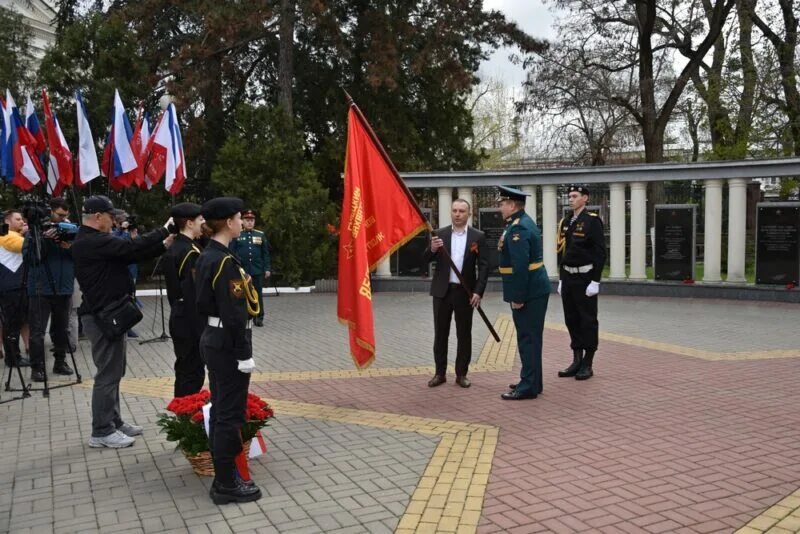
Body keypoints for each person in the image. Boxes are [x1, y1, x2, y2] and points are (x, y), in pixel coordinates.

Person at [72, 195, 175, 448]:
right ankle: (102, 431)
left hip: (110, 314)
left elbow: (131, 254)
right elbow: (130, 248)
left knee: (115, 371)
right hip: (102, 316)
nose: (114, 221)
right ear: (98, 217)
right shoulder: (91, 240)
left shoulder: (95, 240)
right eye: (111, 217)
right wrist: (164, 229)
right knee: (107, 374)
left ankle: (114, 422)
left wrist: (164, 243)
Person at [195, 197, 262, 504]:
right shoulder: (223, 261)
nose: (240, 221)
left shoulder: (211, 255)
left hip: (215, 338)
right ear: (228, 222)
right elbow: (235, 314)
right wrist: (244, 353)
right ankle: (226, 484)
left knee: (224, 410)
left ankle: (226, 478)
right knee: (229, 414)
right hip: (227, 344)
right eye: (237, 217)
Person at [422, 199, 489, 388]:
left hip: (465, 293)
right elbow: (426, 258)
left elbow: (484, 267)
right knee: (440, 334)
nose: (458, 214)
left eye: (462, 211)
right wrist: (433, 248)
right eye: (454, 210)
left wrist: (478, 291)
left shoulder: (478, 236)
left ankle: (461, 374)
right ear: (451, 212)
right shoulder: (439, 234)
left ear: (469, 214)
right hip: (442, 292)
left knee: (464, 334)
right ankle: (439, 373)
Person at [496, 186, 550, 400]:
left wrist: (518, 297)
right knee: (532, 338)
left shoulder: (518, 229)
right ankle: (533, 381)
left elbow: (520, 266)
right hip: (534, 289)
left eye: (502, 204)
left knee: (527, 338)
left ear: (511, 205)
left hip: (528, 292)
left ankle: (528, 386)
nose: (500, 207)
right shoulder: (520, 223)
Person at [556, 185, 606, 380]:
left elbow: (600, 253)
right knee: (571, 319)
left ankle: (588, 362)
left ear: (585, 198)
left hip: (585, 278)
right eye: (569, 196)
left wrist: (595, 281)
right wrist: (561, 279)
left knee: (588, 320)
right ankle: (576, 359)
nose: (571, 199)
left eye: (575, 196)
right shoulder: (566, 221)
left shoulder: (592, 221)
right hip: (568, 277)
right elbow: (562, 252)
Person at [25, 198, 75, 382]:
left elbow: (80, 256)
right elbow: (30, 259)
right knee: (37, 331)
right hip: (40, 289)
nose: (61, 219)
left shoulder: (71, 231)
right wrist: (44, 239)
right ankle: (37, 367)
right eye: (59, 215)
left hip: (64, 288)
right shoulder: (35, 232)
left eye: (65, 216)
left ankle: (60, 362)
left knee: (61, 329)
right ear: (50, 212)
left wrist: (69, 246)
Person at [162, 202, 206, 397]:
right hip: (190, 320)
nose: (203, 223)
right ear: (189, 223)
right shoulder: (189, 252)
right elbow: (193, 294)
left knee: (185, 369)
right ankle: (185, 418)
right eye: (200, 220)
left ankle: (182, 415)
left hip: (180, 316)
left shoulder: (179, 246)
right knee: (192, 372)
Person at [0, 209, 30, 368]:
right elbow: (23, 246)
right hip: (11, 286)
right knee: (12, 323)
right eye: (18, 219)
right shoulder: (5, 234)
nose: (22, 222)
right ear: (7, 222)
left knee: (15, 323)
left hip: (15, 285)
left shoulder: (13, 234)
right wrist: (28, 234)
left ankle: (14, 356)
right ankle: (13, 358)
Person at [229, 209, 270, 327]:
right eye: (247, 220)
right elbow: (232, 251)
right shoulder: (237, 234)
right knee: (242, 294)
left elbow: (265, 254)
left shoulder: (260, 235)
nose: (249, 223)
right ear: (242, 221)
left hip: (257, 270)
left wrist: (267, 268)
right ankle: (245, 316)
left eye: (252, 220)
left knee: (257, 294)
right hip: (242, 271)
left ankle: (259, 317)